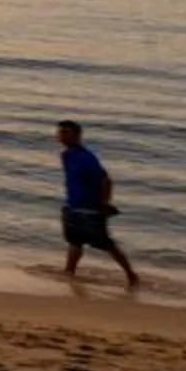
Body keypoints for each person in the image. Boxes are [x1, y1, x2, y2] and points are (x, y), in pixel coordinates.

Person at [56, 120, 138, 289]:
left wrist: (104, 203)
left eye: (67, 132)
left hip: (89, 208)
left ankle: (130, 274)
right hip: (72, 206)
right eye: (60, 132)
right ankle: (69, 272)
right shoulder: (65, 155)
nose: (62, 136)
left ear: (77, 135)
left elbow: (105, 180)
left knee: (106, 243)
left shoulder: (86, 157)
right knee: (74, 241)